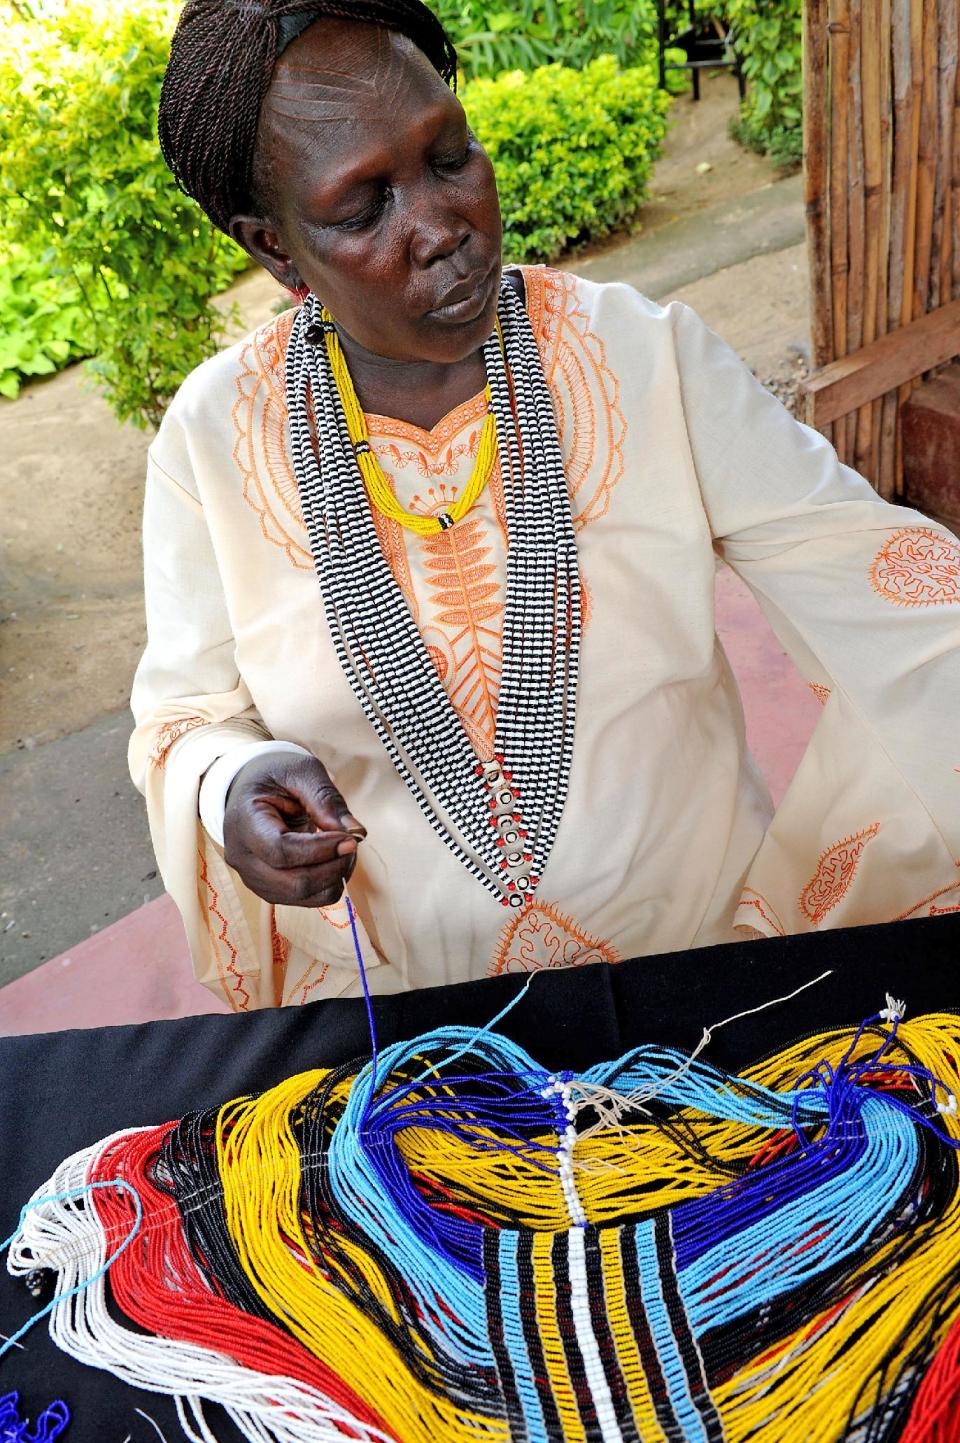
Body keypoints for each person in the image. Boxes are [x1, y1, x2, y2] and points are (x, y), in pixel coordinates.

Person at [130, 0, 960, 1011]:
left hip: (708, 985)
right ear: (275, 247)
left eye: (450, 156)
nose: (442, 228)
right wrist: (230, 787)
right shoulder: (214, 439)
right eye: (363, 210)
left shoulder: (640, 357)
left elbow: (898, 597)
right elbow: (186, 717)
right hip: (425, 1043)